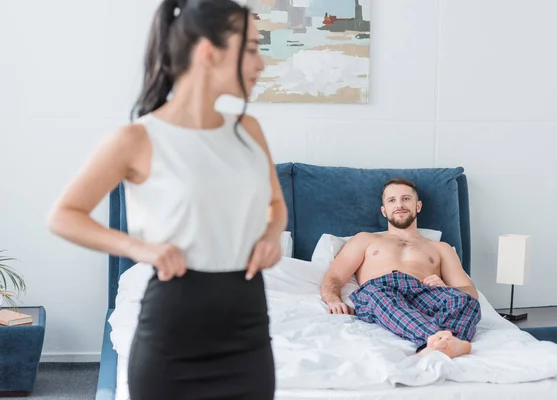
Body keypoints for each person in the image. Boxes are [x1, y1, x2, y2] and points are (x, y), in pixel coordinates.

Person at [47, 0, 287, 398]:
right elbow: (64, 216)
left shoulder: (250, 130)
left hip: (248, 327)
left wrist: (271, 236)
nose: (261, 63)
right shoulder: (138, 139)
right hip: (173, 333)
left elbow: (276, 207)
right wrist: (140, 248)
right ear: (209, 52)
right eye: (250, 48)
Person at [320, 178, 481, 359]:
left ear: (418, 206)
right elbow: (334, 276)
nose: (399, 205)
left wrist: (445, 287)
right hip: (380, 291)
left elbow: (469, 292)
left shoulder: (440, 248)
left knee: (465, 302)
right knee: (377, 294)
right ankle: (438, 339)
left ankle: (442, 345)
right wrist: (333, 298)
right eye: (392, 200)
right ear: (384, 210)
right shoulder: (365, 240)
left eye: (406, 199)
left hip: (424, 293)